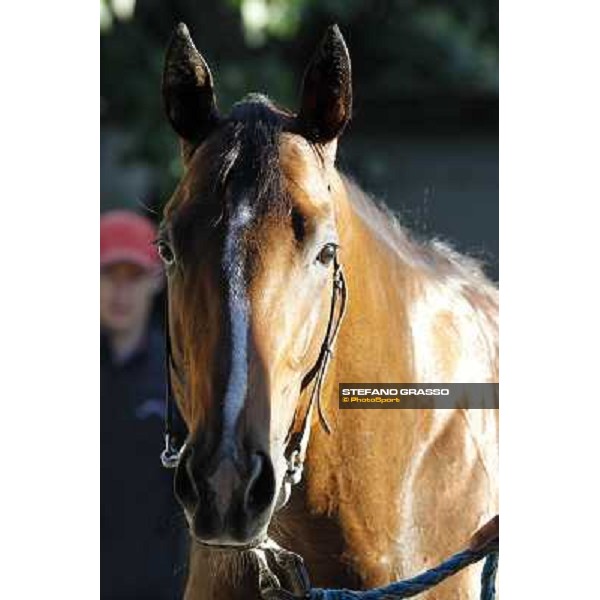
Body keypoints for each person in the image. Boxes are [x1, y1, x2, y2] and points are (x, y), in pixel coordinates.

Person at [101, 210, 184, 599]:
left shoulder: (177, 377)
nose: (120, 294)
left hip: (157, 585)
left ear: (155, 280)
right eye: (107, 277)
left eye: (132, 277)